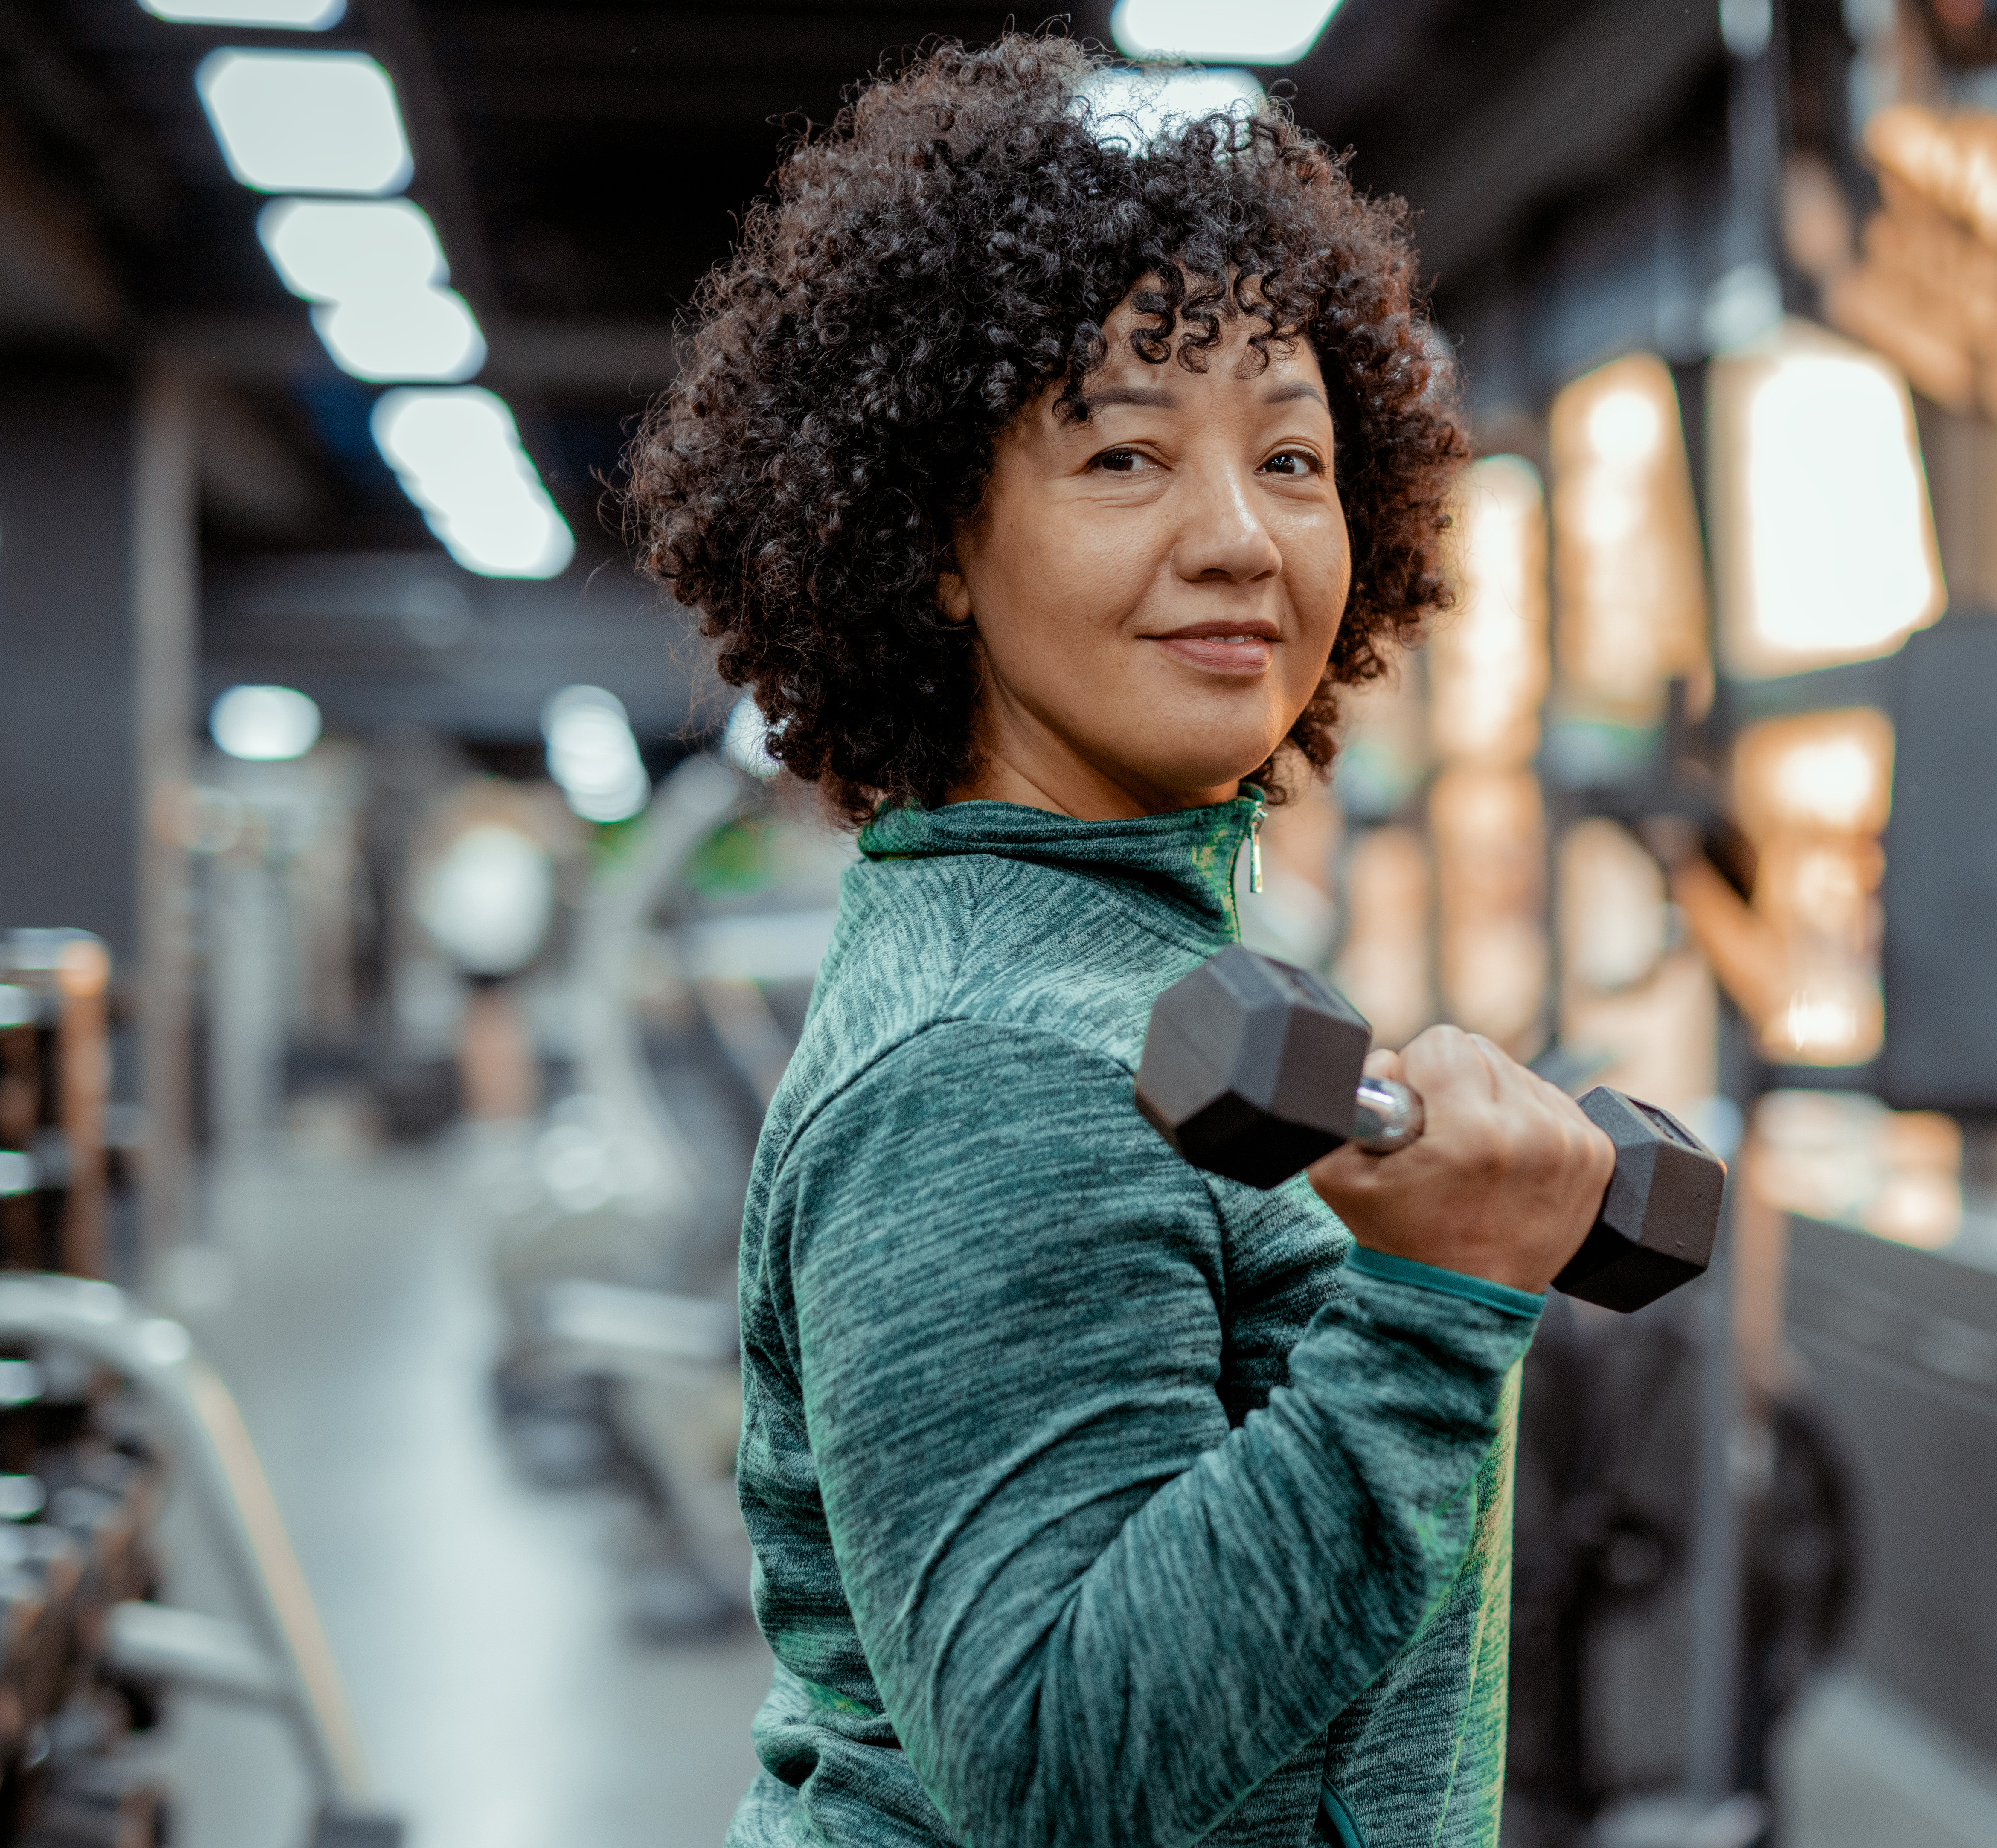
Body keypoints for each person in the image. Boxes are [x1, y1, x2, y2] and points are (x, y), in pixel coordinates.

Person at [624, 36, 1612, 1848]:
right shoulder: (994, 1067)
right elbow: (1059, 1773)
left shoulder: (1131, 959)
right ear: (936, 542)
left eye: (1296, 459)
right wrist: (1435, 1314)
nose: (1239, 537)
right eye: (1126, 455)